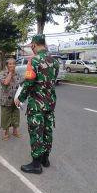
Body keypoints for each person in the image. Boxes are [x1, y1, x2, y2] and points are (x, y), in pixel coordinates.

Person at [15, 34, 59, 174]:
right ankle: (45, 159)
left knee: (36, 132)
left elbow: (28, 83)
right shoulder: (54, 61)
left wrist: (20, 98)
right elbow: (52, 81)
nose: (31, 48)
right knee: (47, 130)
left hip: (37, 105)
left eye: (31, 46)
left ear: (34, 44)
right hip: (50, 103)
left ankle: (36, 164)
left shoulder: (34, 61)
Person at [0, 58, 22, 141]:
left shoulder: (18, 74)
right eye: (10, 64)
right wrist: (10, 73)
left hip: (16, 100)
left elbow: (21, 86)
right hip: (6, 100)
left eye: (13, 64)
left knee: (16, 115)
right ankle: (6, 133)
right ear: (7, 65)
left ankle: (15, 131)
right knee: (6, 116)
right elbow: (6, 82)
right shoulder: (3, 74)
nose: (12, 65)